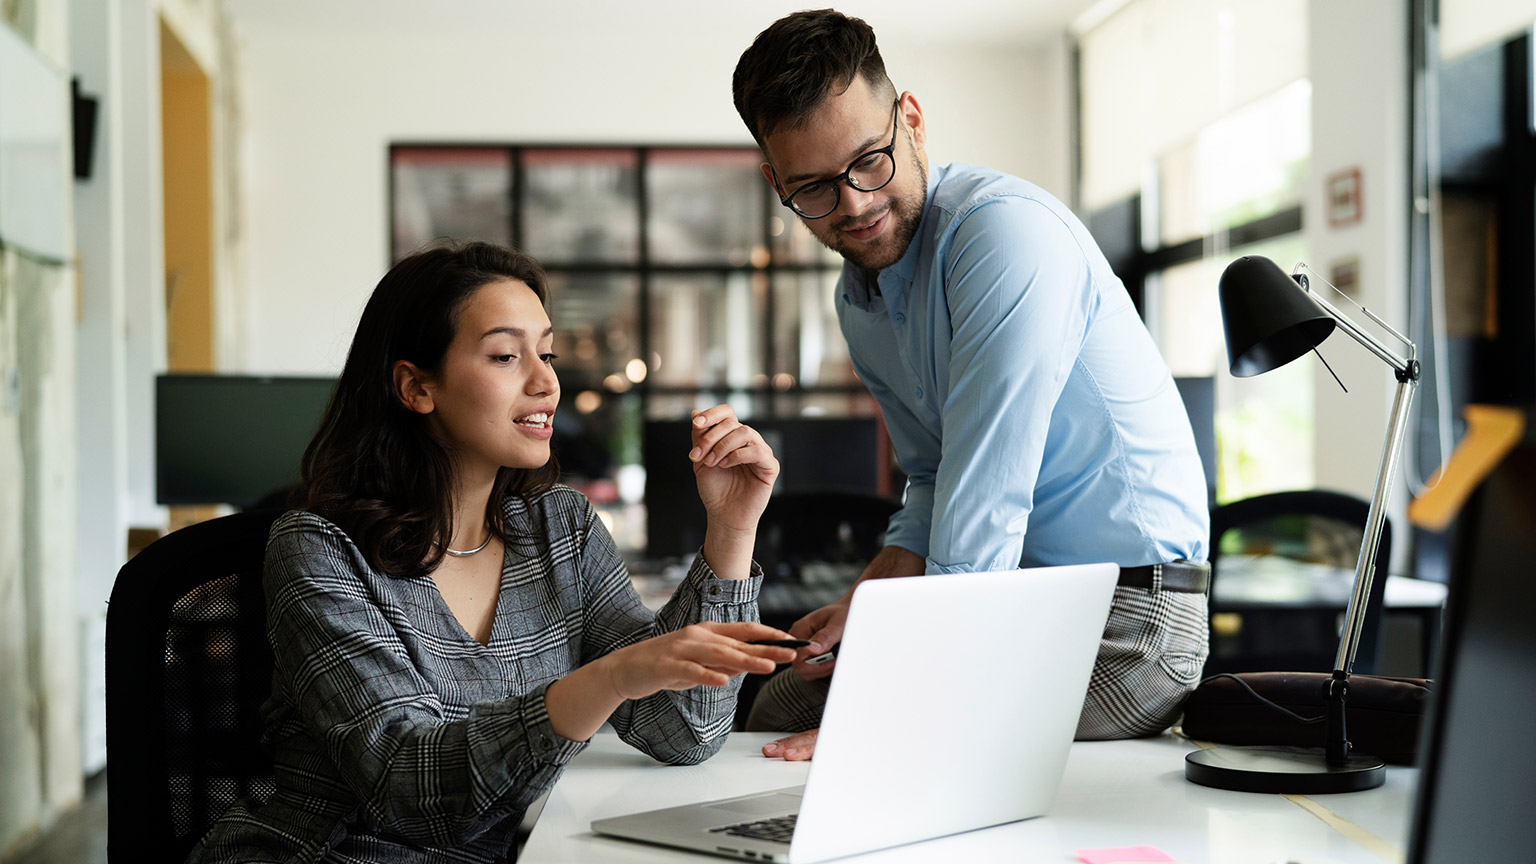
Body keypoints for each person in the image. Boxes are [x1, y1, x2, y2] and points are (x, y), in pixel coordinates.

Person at [187, 242, 797, 863]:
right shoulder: (320, 549)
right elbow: (407, 787)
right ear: (417, 386)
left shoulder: (561, 530)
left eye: (547, 352)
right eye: (506, 356)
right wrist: (608, 678)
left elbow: (686, 732)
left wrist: (729, 531)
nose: (546, 381)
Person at [731, 10, 1212, 758]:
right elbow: (934, 476)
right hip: (1014, 599)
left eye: (870, 161)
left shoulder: (1004, 237)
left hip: (1129, 619)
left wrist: (912, 691)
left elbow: (986, 489)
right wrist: (877, 595)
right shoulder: (861, 299)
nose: (854, 203)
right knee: (778, 707)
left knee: (894, 746)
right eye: (816, 188)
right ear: (777, 184)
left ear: (912, 120)